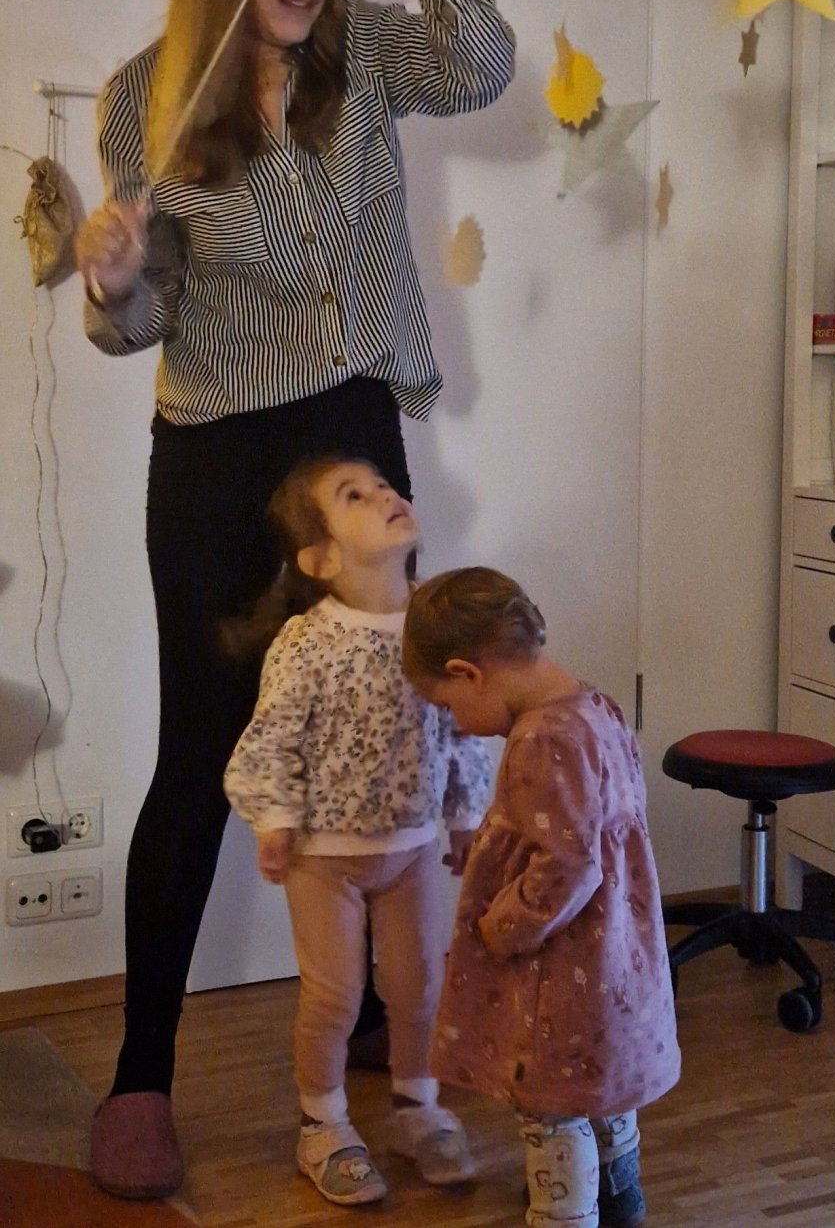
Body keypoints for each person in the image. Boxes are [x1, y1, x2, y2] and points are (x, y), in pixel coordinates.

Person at [75, 0, 515, 1200]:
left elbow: (484, 63)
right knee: (207, 751)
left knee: (385, 725)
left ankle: (380, 1017)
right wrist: (116, 280)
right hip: (217, 452)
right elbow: (143, 322)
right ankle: (143, 1073)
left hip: (350, 429)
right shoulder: (146, 96)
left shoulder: (364, 50)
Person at [224, 454, 491, 1206]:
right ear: (320, 558)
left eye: (384, 486)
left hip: (412, 849)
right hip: (324, 857)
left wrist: (465, 815)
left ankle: (417, 1106)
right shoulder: (307, 642)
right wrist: (274, 818)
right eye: (355, 495)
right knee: (335, 996)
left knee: (420, 985)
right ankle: (323, 1124)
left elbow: (462, 727)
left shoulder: (435, 630)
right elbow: (273, 737)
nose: (385, 495)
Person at [402, 567, 681, 1228]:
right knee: (598, 1086)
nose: (456, 723)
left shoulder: (541, 738)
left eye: (448, 705)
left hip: (562, 968)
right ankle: (620, 1196)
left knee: (550, 1104)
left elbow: (566, 865)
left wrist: (503, 925)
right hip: (615, 954)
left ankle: (565, 1215)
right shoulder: (596, 706)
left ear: (469, 673)